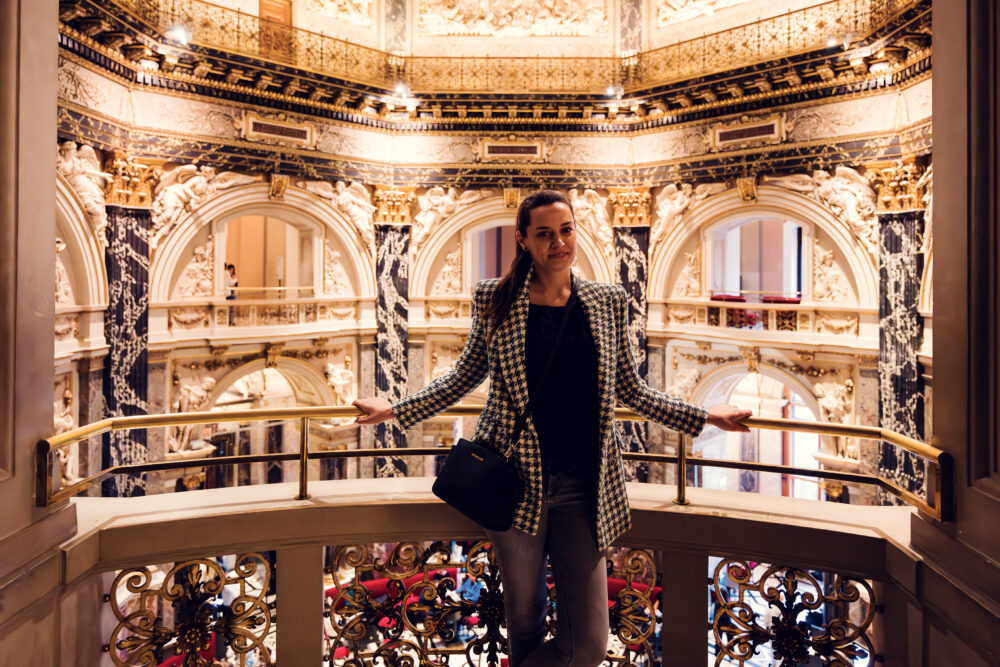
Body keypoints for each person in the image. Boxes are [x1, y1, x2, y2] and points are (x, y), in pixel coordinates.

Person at [353, 190, 750, 666]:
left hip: (585, 487)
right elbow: (464, 375)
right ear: (523, 240)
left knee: (588, 642)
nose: (558, 242)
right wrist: (393, 409)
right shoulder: (496, 299)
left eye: (566, 230)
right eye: (544, 233)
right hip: (516, 484)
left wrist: (706, 416)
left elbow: (632, 389)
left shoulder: (607, 302)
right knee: (525, 618)